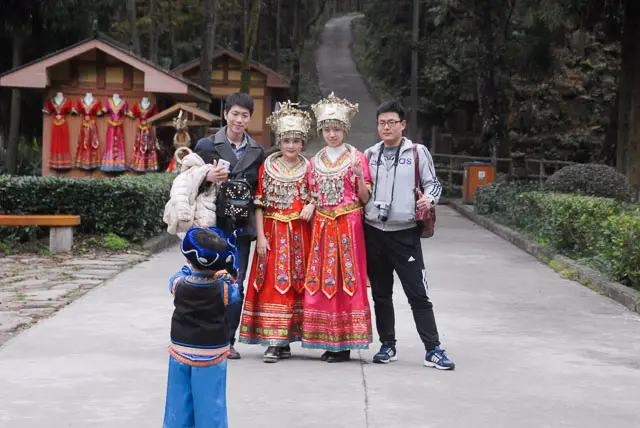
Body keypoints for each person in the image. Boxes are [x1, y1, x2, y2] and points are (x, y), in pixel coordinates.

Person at [363, 100, 455, 370]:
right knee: (381, 294)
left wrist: (430, 200)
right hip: (374, 233)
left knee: (418, 294)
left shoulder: (417, 152)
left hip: (405, 234)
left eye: (392, 122)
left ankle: (433, 349)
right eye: (381, 123)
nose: (386, 127)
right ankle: (387, 345)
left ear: (403, 125)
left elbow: (433, 183)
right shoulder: (368, 154)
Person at [238, 101, 315, 362]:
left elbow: (318, 196)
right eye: (286, 140)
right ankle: (273, 340)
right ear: (279, 142)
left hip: (299, 235)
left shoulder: (310, 168)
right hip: (271, 232)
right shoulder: (267, 167)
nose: (291, 145)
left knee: (296, 284)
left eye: (296, 140)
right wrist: (260, 236)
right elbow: (259, 203)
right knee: (271, 284)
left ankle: (286, 339)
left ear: (302, 142)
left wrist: (312, 204)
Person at [302, 92, 373, 363]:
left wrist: (358, 177)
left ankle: (345, 342)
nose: (332, 134)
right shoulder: (315, 161)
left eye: (337, 129)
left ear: (345, 129)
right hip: (322, 225)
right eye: (327, 129)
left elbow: (364, 197)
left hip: (348, 224)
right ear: (321, 131)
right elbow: (311, 193)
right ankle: (327, 338)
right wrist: (309, 203)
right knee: (323, 279)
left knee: (347, 279)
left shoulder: (356, 157)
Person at [195, 93, 265, 360]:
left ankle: (227, 339)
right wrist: (206, 176)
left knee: (235, 282)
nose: (239, 120)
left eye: (245, 115)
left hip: (241, 229)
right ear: (226, 114)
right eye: (235, 114)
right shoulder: (206, 145)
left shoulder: (257, 151)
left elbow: (260, 192)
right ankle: (204, 336)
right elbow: (186, 181)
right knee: (205, 279)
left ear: (250, 118)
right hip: (211, 225)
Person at [163, 227, 241, 428]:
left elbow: (178, 275)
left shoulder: (178, 283)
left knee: (178, 402)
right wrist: (226, 274)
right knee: (210, 405)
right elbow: (235, 294)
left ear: (189, 259)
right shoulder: (224, 289)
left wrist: (189, 269)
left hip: (180, 350)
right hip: (211, 354)